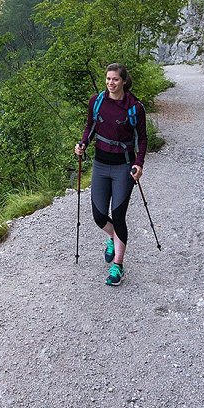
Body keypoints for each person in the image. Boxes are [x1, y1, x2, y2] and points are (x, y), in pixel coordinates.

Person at [76, 63, 147, 286]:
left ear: (124, 81)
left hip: (123, 168)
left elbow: (142, 139)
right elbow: (90, 127)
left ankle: (118, 265)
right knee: (98, 216)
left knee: (118, 216)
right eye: (108, 79)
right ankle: (112, 237)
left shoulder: (134, 107)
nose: (110, 83)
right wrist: (83, 143)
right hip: (100, 164)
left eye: (115, 79)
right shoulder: (96, 102)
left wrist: (139, 163)